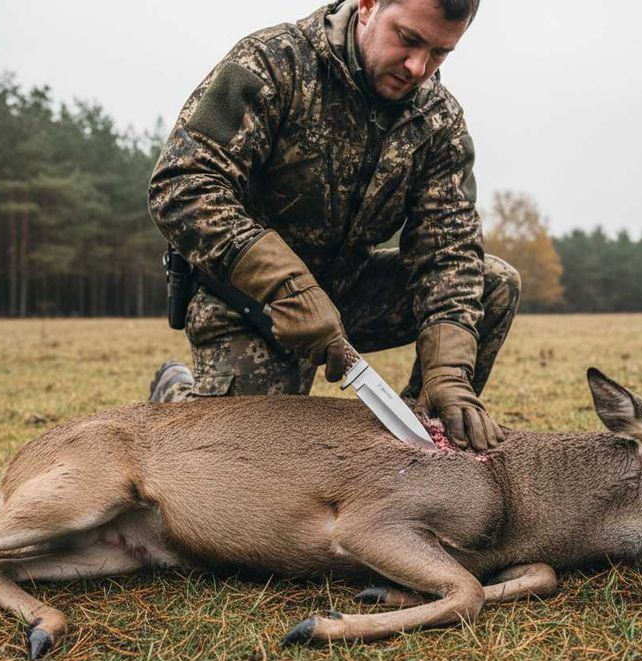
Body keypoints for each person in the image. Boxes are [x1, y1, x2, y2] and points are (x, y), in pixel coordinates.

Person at [147, 0, 520, 451]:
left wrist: (449, 374)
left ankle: (413, 449)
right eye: (408, 39)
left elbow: (449, 250)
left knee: (492, 282)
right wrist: (287, 287)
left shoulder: (438, 120)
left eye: (440, 53)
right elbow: (183, 185)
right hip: (249, 303)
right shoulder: (272, 62)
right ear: (367, 6)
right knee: (247, 469)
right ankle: (175, 394)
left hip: (348, 295)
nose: (418, 67)